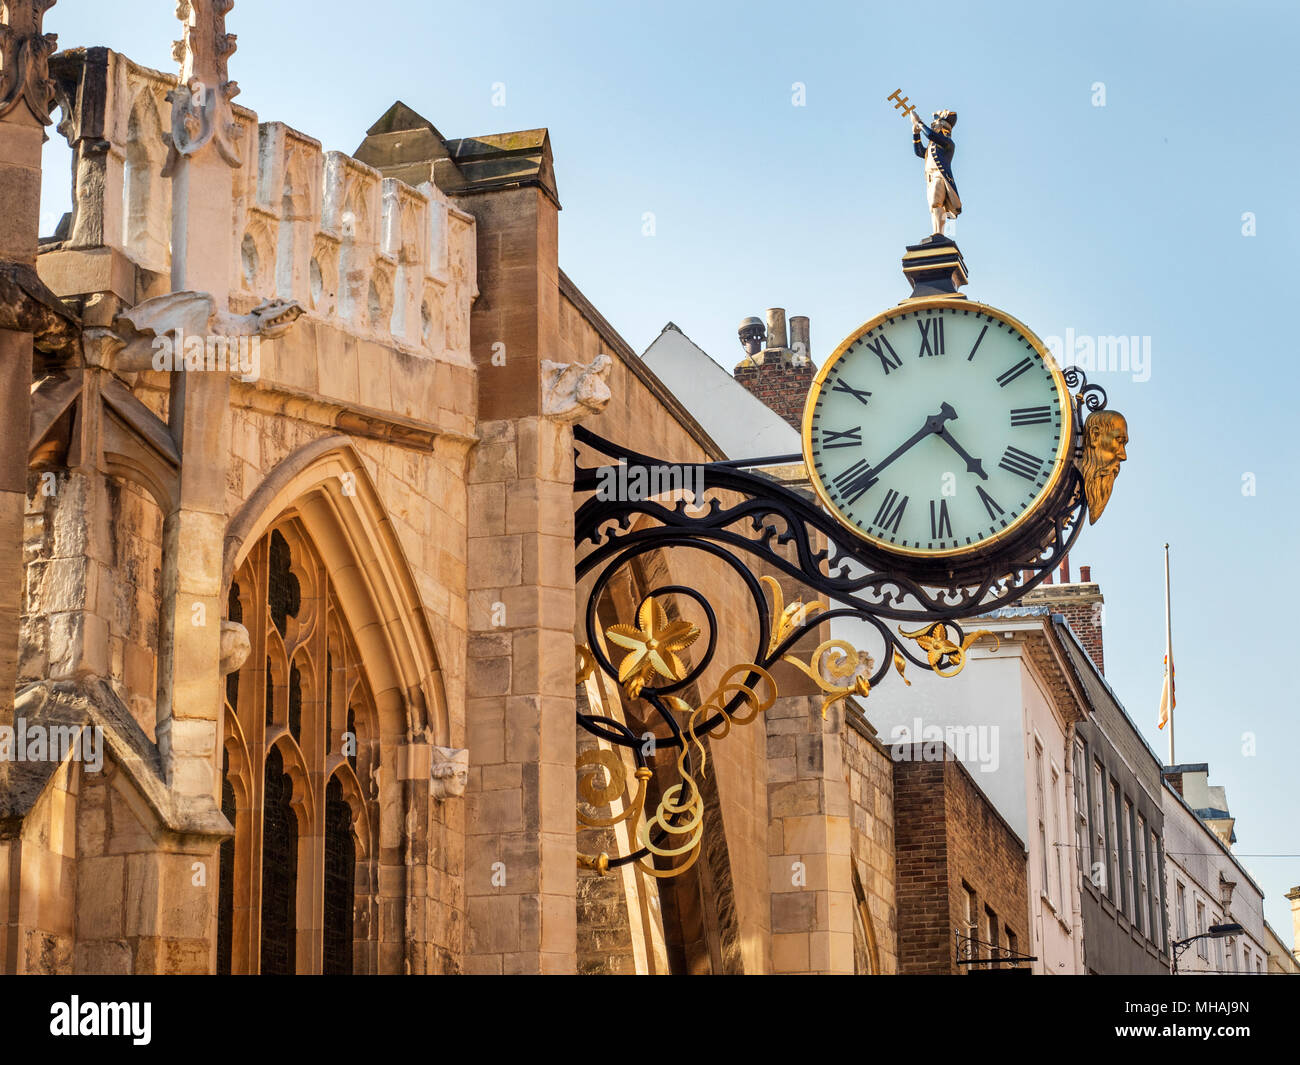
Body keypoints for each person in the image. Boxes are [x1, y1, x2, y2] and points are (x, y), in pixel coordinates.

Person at [912, 110, 961, 237]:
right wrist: (915, 134)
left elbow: (931, 135)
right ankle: (936, 232)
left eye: (936, 123)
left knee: (936, 203)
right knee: (933, 208)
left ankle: (939, 233)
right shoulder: (933, 145)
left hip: (940, 175)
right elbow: (919, 152)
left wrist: (919, 123)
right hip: (930, 177)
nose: (933, 125)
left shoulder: (947, 143)